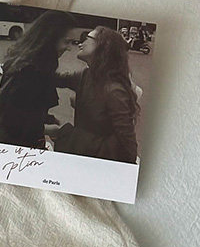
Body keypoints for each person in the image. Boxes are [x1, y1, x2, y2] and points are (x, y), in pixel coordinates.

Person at [0, 11, 74, 148]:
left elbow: (25, 107)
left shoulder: (26, 59)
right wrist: (48, 130)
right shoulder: (34, 72)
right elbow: (14, 123)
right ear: (50, 38)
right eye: (66, 41)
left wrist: (47, 119)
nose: (69, 48)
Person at [53, 26, 139, 163]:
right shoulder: (86, 75)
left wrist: (64, 133)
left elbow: (126, 141)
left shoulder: (114, 91)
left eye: (87, 38)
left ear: (103, 45)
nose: (80, 44)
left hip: (99, 159)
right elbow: (55, 78)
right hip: (87, 153)